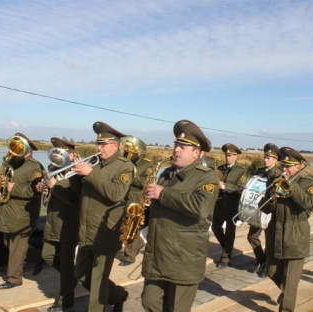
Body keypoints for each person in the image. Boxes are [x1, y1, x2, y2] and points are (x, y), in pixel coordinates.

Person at [141, 119, 219, 312]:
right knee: (149, 301)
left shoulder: (207, 177)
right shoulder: (166, 174)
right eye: (176, 144)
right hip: (158, 255)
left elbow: (201, 208)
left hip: (183, 259)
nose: (176, 149)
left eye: (183, 147)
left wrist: (163, 193)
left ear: (197, 153)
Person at [69, 122, 134, 312]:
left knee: (98, 284)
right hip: (86, 230)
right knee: (81, 274)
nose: (98, 148)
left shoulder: (125, 166)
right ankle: (117, 295)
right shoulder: (96, 164)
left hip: (105, 233)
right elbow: (79, 191)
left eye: (103, 144)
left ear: (115, 145)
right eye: (98, 144)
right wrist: (75, 171)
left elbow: (116, 193)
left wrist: (90, 173)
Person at [261, 147, 313, 312]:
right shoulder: (275, 181)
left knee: (291, 281)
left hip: (296, 233)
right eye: (283, 165)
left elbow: (307, 203)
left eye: (288, 166)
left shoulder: (309, 182)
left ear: (298, 167)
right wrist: (271, 196)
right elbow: (263, 208)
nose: (284, 169)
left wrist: (290, 186)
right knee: (271, 270)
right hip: (275, 232)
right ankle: (287, 293)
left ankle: (287, 302)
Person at [0, 132, 44, 289]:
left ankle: (14, 279)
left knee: (17, 246)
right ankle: (40, 257)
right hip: (9, 212)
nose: (15, 150)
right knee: (8, 243)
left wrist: (14, 188)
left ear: (27, 148)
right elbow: (5, 183)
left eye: (20, 146)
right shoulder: (12, 163)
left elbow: (36, 192)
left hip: (23, 215)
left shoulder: (35, 166)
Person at [37, 137, 81, 312]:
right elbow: (47, 199)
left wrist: (55, 186)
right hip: (53, 222)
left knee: (66, 262)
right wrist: (43, 188)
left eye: (61, 152)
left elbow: (74, 200)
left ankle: (65, 300)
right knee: (47, 255)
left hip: (69, 224)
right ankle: (73, 276)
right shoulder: (51, 170)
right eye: (55, 152)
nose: (56, 156)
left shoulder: (75, 174)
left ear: (70, 154)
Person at [246, 143, 282, 277]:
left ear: (275, 160)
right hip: (257, 209)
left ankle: (266, 265)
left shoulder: (278, 175)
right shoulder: (260, 172)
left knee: (269, 240)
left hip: (270, 211)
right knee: (252, 236)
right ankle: (260, 259)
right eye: (265, 157)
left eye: (269, 158)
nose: (265, 160)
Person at [118, 135, 154, 267]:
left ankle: (129, 256)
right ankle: (137, 243)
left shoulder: (147, 164)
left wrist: (131, 174)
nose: (128, 152)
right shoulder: (122, 161)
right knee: (120, 223)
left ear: (139, 152)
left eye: (132, 150)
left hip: (135, 198)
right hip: (121, 196)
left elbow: (146, 182)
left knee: (131, 225)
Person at [211, 143, 247, 268]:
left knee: (230, 231)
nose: (228, 157)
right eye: (226, 155)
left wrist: (225, 187)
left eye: (230, 155)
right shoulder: (220, 169)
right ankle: (226, 248)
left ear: (236, 157)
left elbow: (240, 189)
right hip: (219, 203)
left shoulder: (241, 171)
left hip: (232, 204)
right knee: (216, 227)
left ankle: (226, 258)